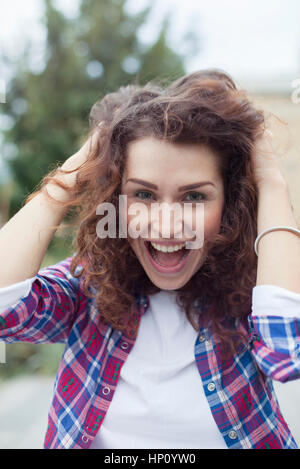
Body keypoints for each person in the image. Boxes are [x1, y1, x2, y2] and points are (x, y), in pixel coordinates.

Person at [0, 69, 299, 450]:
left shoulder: (256, 291)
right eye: (143, 195)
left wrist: (271, 181)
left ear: (230, 205)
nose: (167, 224)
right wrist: (74, 175)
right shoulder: (90, 286)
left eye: (194, 197)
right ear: (116, 202)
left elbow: (286, 350)